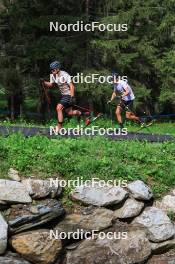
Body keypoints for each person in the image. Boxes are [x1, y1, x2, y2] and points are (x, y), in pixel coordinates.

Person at [43, 61, 81, 131]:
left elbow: (72, 86)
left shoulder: (65, 74)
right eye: (51, 70)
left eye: (53, 69)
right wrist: (44, 82)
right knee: (70, 112)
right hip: (64, 96)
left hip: (68, 95)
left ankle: (59, 127)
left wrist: (72, 97)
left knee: (59, 108)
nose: (52, 71)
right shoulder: (54, 76)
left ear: (58, 69)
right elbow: (51, 84)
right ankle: (81, 113)